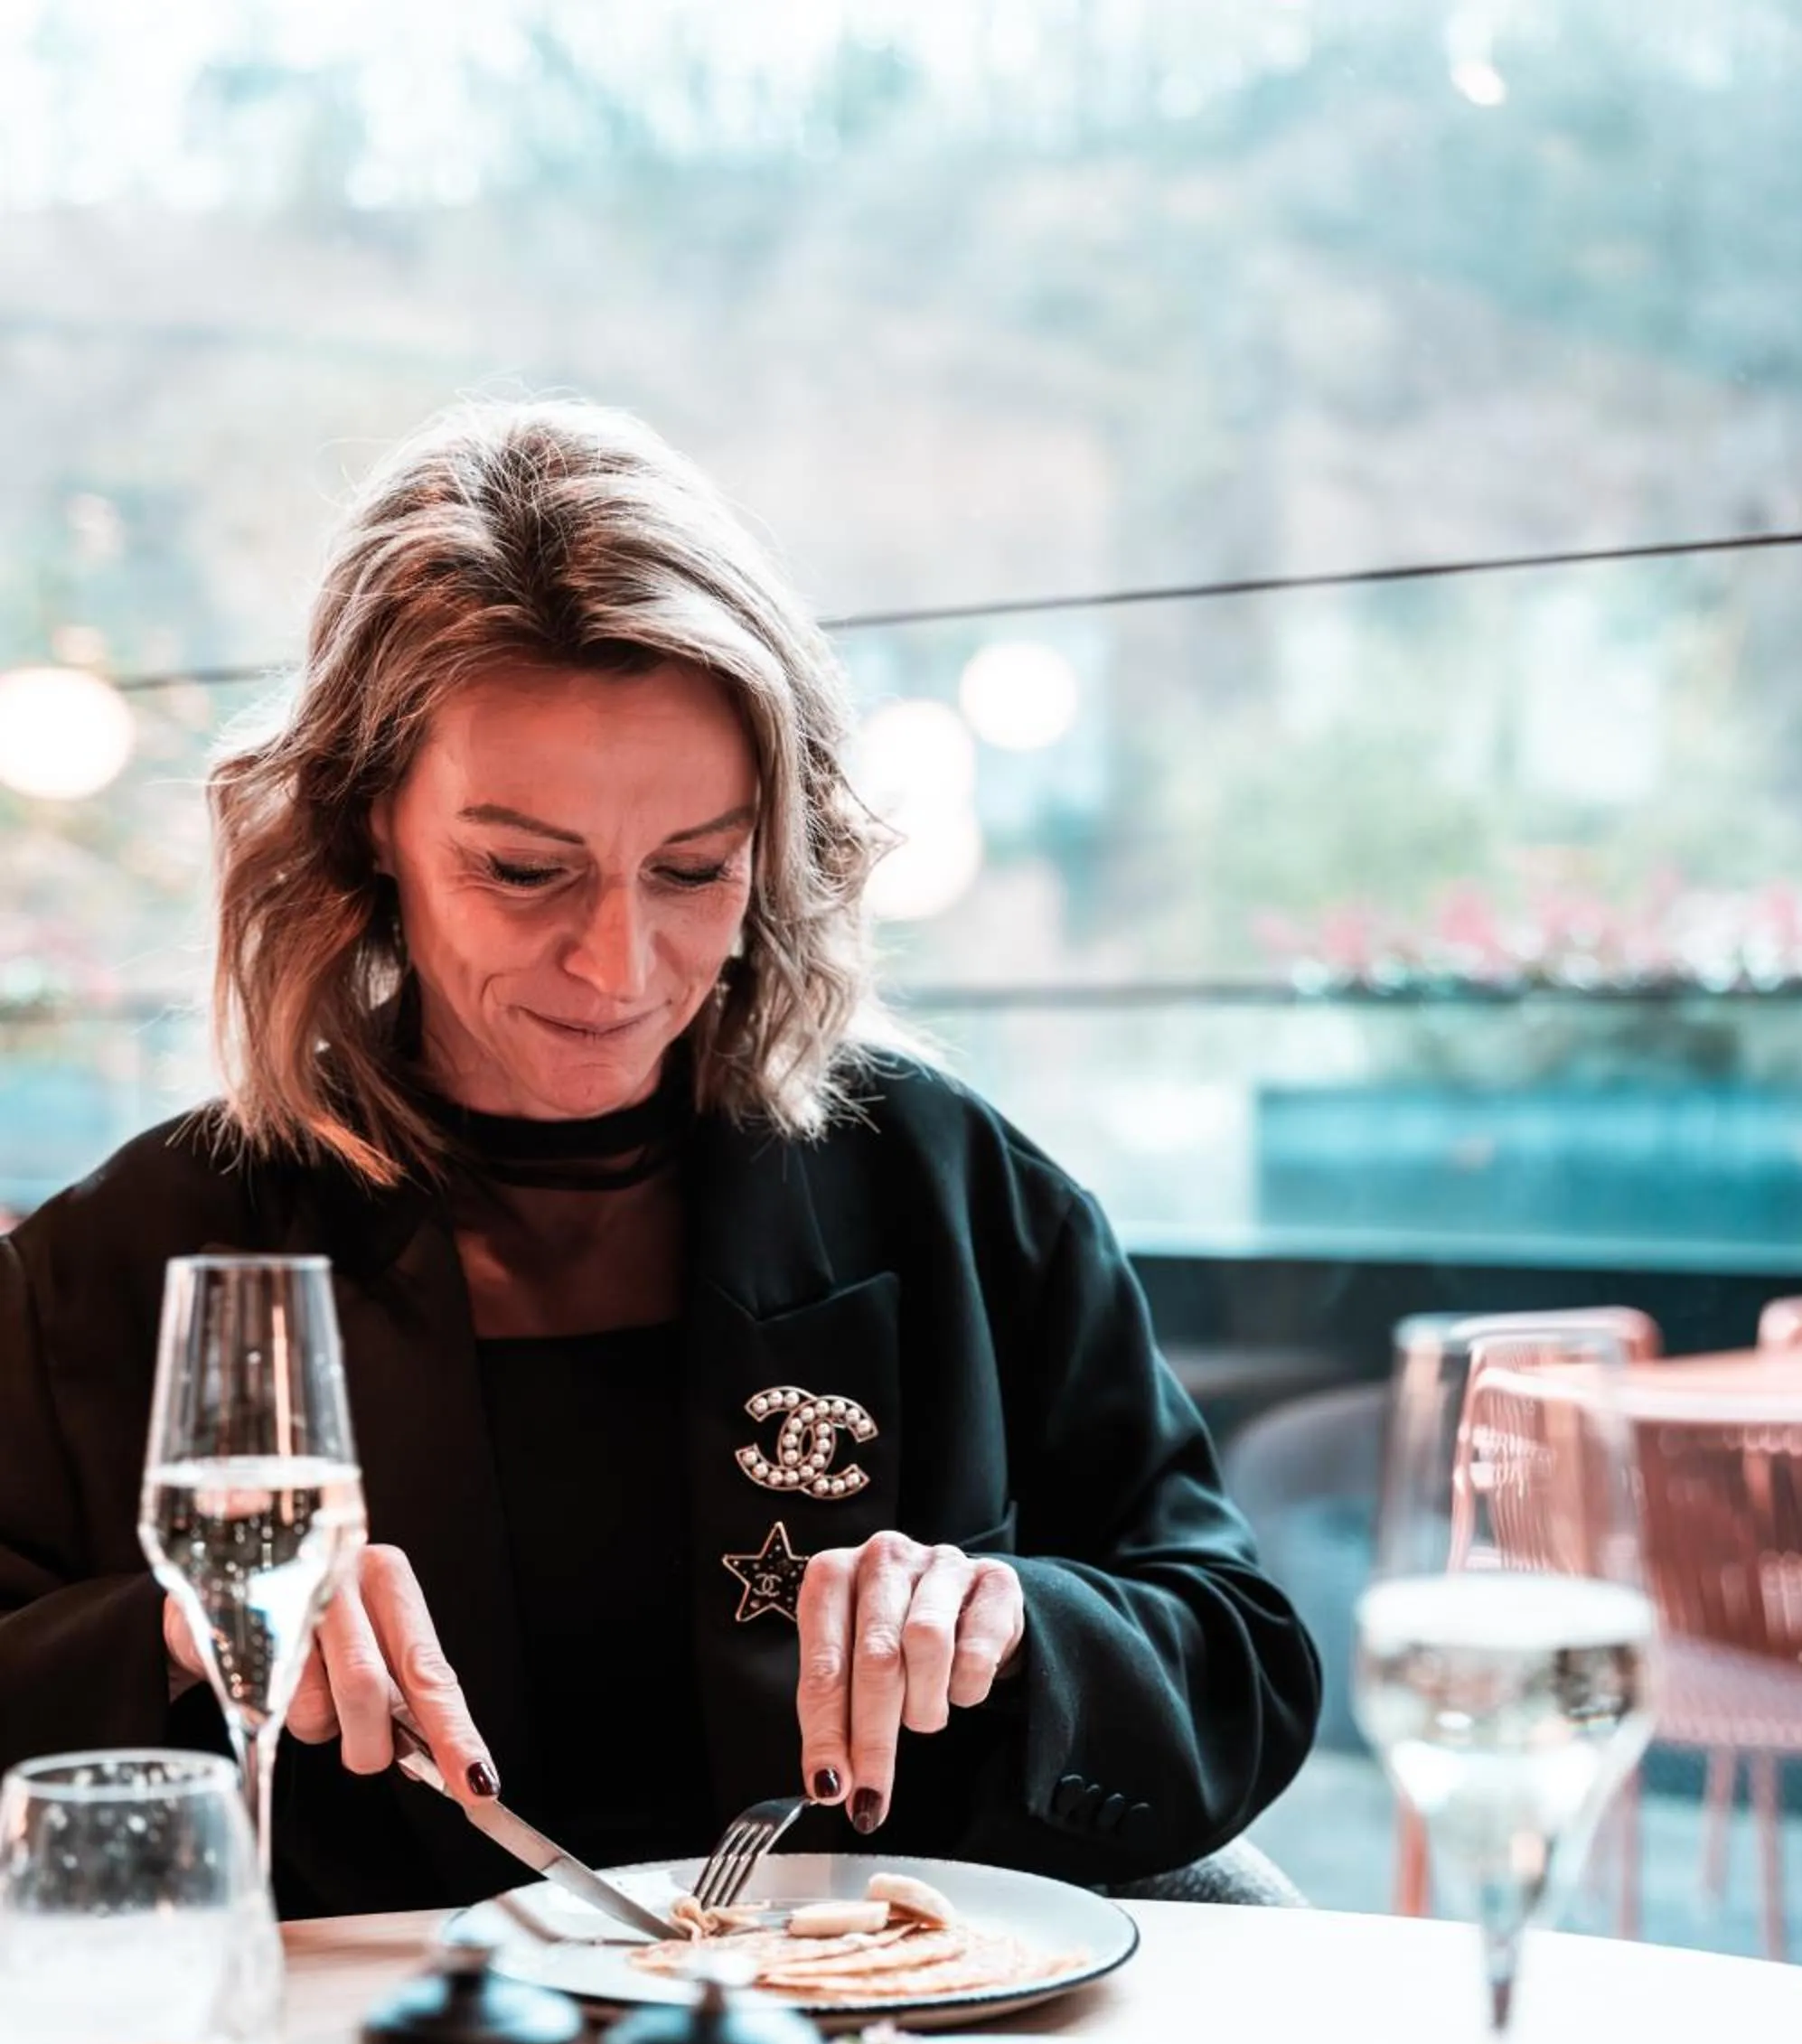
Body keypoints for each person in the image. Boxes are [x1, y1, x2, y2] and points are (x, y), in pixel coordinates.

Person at [0, 402, 1319, 1918]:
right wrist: (187, 1632)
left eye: (696, 869)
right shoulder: (135, 1260)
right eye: (522, 869)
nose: (619, 961)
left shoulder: (945, 1190)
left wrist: (1026, 1625)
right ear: (365, 821)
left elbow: (1240, 1661)